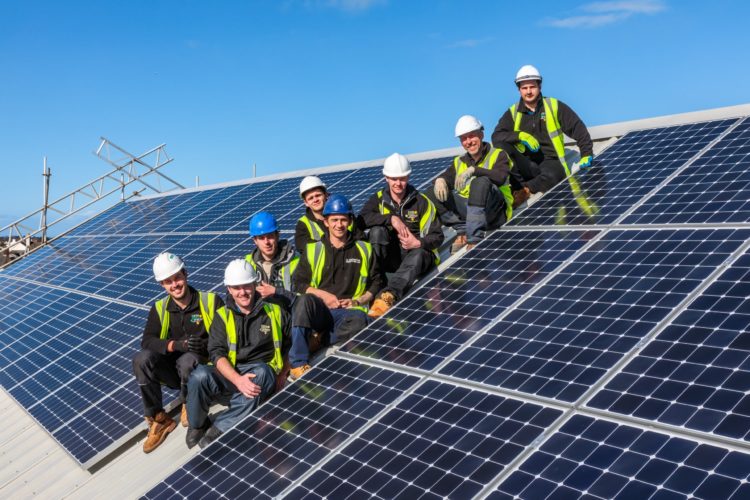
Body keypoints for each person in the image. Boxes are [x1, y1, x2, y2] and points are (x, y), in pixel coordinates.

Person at [185, 259, 290, 449]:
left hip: (261, 375)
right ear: (229, 290)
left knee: (263, 373)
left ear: (254, 284)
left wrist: (283, 374)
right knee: (199, 375)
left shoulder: (274, 310)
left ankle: (218, 428)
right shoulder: (222, 316)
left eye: (246, 286)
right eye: (236, 288)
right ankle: (197, 425)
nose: (242, 292)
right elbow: (216, 353)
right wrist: (238, 380)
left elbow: (291, 343)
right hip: (232, 376)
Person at [132, 252, 223, 453]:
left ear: (185, 273)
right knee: (141, 359)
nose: (174, 285)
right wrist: (175, 345)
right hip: (175, 373)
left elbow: (226, 335)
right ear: (162, 286)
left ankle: (188, 402)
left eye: (177, 278)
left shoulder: (210, 301)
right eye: (168, 282)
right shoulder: (159, 309)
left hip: (203, 370)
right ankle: (158, 418)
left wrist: (204, 345)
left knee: (188, 360)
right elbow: (147, 341)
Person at [289, 194, 383, 380]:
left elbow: (377, 281)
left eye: (343, 220)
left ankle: (319, 340)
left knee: (361, 320)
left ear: (349, 221)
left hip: (346, 313)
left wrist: (358, 300)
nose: (339, 225)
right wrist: (324, 296)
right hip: (320, 310)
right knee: (304, 302)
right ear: (326, 221)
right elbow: (298, 283)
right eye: (334, 220)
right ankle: (298, 363)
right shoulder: (313, 249)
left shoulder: (364, 249)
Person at [492, 64, 594, 207]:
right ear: (519, 89)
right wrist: (519, 136)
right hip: (526, 164)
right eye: (524, 88)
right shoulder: (513, 112)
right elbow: (496, 137)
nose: (528, 91)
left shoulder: (553, 106)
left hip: (550, 161)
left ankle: (525, 190)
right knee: (501, 146)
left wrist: (586, 153)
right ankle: (517, 187)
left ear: (539, 86)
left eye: (532, 87)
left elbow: (578, 128)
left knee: (554, 176)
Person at [358, 153, 443, 318]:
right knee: (377, 232)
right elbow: (360, 221)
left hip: (418, 256)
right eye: (394, 179)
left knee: (418, 254)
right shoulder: (378, 200)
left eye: (402, 178)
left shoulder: (422, 202)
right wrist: (391, 218)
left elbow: (438, 236)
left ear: (408, 176)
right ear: (386, 178)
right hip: (393, 258)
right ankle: (378, 283)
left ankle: (388, 296)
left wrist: (417, 242)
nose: (398, 183)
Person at [427, 115, 514, 253]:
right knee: (432, 192)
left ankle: (474, 239)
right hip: (470, 214)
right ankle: (462, 229)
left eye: (472, 136)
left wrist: (475, 170)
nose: (468, 142)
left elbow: (500, 177)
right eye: (464, 138)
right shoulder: (459, 162)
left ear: (481, 134)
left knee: (480, 182)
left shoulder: (498, 154)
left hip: (495, 212)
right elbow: (447, 177)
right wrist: (440, 180)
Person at [245, 211, 298, 311]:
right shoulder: (247, 264)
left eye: (270, 236)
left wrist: (277, 292)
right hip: (260, 320)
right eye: (261, 238)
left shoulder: (295, 262)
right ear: (255, 241)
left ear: (277, 235)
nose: (266, 242)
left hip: (290, 319)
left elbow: (304, 301)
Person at [295, 175, 366, 250]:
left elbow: (361, 239)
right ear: (306, 203)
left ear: (326, 195)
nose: (315, 200)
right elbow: (304, 248)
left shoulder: (344, 214)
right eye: (311, 198)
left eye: (318, 195)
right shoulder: (303, 224)